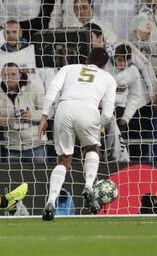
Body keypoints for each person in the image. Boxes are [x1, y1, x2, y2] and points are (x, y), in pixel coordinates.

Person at [38, 48, 117, 221]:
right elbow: (108, 114)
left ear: (86, 59)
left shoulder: (69, 68)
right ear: (104, 65)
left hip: (64, 108)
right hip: (89, 108)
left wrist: (44, 115)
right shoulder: (108, 78)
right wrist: (99, 124)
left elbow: (52, 88)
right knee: (92, 148)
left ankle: (51, 201)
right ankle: (88, 186)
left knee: (64, 158)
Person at [0, 62, 45, 163]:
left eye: (13, 74)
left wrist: (32, 115)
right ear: (2, 76)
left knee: (40, 178)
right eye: (6, 75)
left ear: (20, 75)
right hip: (12, 148)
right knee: (14, 178)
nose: (10, 77)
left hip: (35, 145)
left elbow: (48, 112)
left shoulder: (32, 88)